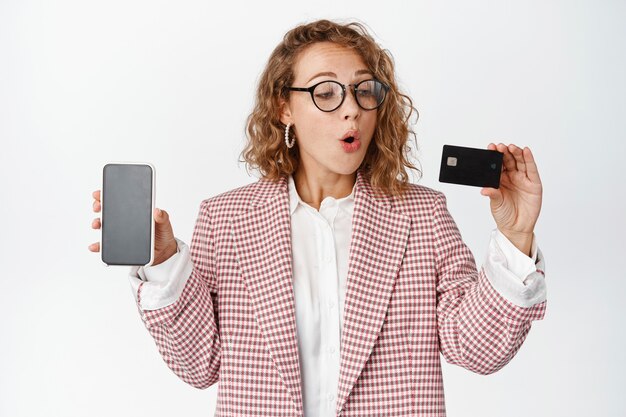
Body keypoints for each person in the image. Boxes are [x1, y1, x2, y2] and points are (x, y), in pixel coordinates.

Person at [88, 19, 546, 417]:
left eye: (364, 91)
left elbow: (479, 350)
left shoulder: (421, 214)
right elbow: (198, 364)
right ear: (284, 107)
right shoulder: (226, 218)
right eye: (325, 92)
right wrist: (165, 261)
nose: (351, 108)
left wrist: (515, 234)